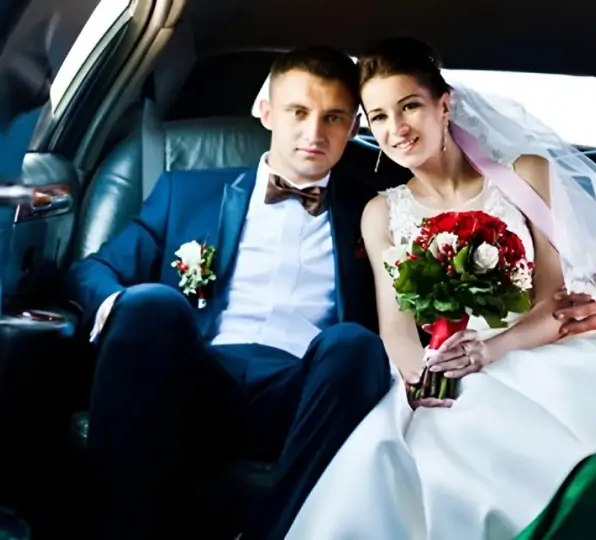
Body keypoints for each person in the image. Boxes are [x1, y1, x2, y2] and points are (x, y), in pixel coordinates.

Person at [253, 37, 596, 540]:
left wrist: (489, 349)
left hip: (531, 344)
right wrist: (426, 381)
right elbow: (396, 331)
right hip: (443, 367)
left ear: (444, 103)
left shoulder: (525, 174)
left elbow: (554, 302)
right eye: (379, 118)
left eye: (409, 106)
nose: (397, 129)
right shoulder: (381, 213)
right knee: (410, 449)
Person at [65, 46, 407, 540]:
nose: (315, 133)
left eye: (333, 117)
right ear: (265, 112)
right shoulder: (186, 191)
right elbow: (93, 270)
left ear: (353, 127)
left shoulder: (374, 213)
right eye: (298, 112)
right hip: (194, 381)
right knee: (151, 303)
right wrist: (129, 318)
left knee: (355, 343)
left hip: (303, 395)